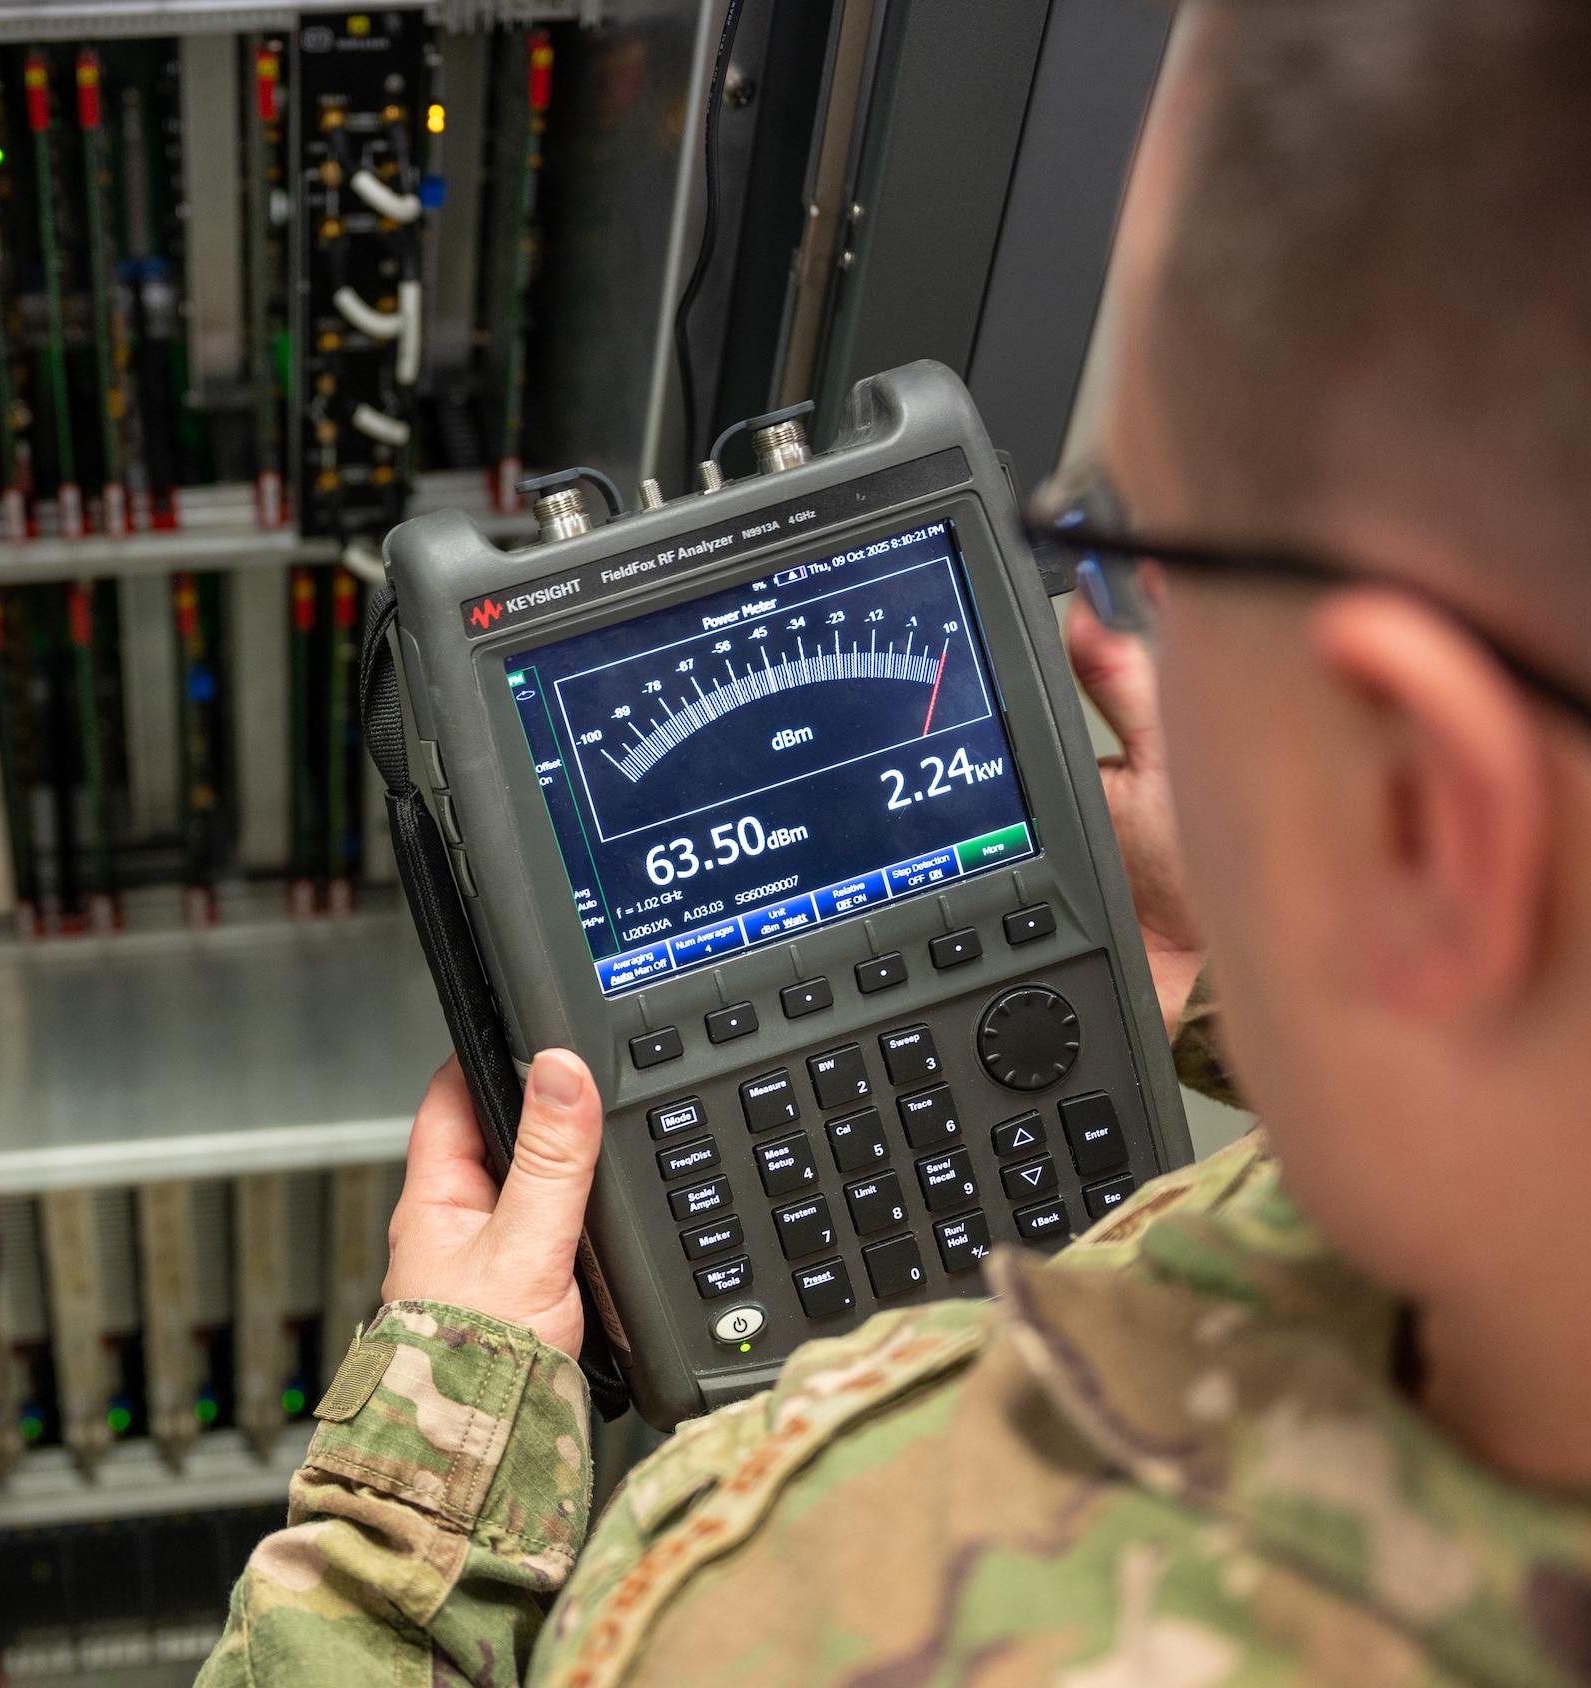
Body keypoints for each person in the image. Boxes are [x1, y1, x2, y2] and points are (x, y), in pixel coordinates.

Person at [199, 1, 1591, 1681]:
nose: (1091, 657)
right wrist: (1288, 945)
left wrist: (404, 1530)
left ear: (1434, 807)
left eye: (1122, 551)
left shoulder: (758, 1614)